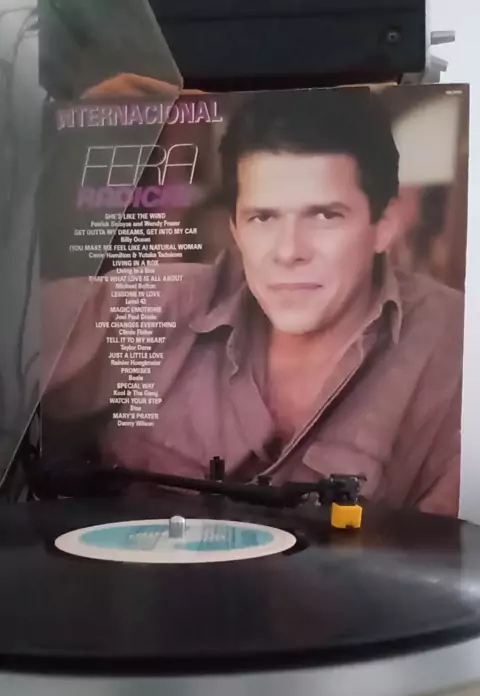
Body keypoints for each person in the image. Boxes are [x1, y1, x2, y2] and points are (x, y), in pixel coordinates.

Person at [43, 86, 464, 515]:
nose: (289, 251)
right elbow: (17, 334)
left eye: (324, 215)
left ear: (384, 225)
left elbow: (456, 543)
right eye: (263, 217)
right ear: (236, 229)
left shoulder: (456, 345)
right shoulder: (162, 302)